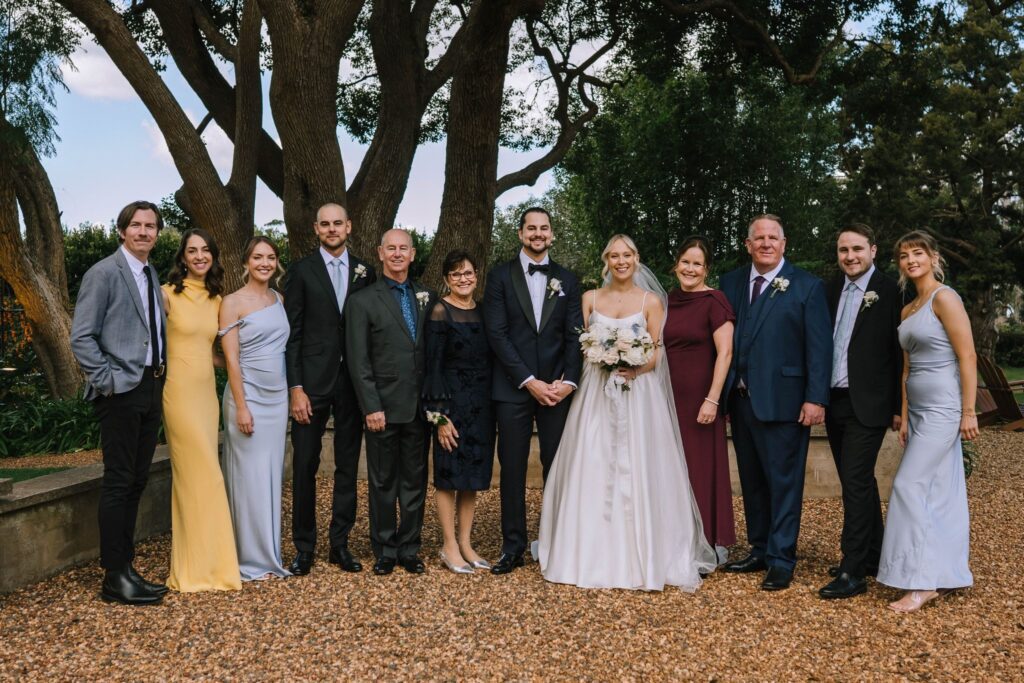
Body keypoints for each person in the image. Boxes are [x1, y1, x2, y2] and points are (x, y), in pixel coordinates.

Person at [537, 235, 717, 590]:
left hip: (638, 393)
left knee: (641, 466)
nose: (621, 261)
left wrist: (635, 367)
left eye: (627, 255)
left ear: (637, 258)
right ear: (606, 260)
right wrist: (598, 360)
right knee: (591, 461)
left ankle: (646, 555)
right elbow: (579, 346)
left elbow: (657, 352)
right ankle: (585, 553)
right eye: (614, 255)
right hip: (595, 394)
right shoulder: (589, 299)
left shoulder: (651, 301)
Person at [719, 214, 832, 591]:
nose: (766, 243)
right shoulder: (731, 282)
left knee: (783, 482)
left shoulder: (807, 286)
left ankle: (782, 559)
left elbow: (819, 347)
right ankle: (760, 548)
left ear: (784, 244)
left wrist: (816, 398)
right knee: (751, 480)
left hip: (785, 401)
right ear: (748, 244)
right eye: (759, 238)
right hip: (741, 399)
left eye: (773, 238)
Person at [70, 200, 170, 605]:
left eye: (150, 226)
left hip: (151, 386)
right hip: (121, 390)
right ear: (122, 231)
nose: (144, 232)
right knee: (118, 480)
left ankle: (125, 567)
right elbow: (81, 337)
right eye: (136, 225)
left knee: (137, 479)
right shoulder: (104, 273)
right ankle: (114, 575)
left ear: (157, 233)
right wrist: (109, 382)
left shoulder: (149, 273)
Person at [878, 230, 977, 613]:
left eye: (917, 253)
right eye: (903, 255)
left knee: (908, 483)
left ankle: (921, 583)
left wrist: (968, 411)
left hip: (944, 407)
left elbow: (967, 357)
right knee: (938, 491)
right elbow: (906, 368)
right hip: (918, 411)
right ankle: (946, 573)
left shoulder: (945, 298)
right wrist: (903, 414)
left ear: (933, 257)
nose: (910, 260)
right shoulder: (909, 308)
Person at [483, 207, 583, 575]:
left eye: (544, 228)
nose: (538, 234)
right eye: (531, 228)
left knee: (557, 466)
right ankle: (513, 546)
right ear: (521, 233)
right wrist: (528, 380)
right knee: (511, 468)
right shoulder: (499, 277)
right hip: (513, 389)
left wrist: (568, 381)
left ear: (552, 235)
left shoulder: (568, 280)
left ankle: (557, 542)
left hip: (557, 390)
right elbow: (497, 334)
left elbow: (576, 335)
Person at [284, 203, 377, 576]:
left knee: (347, 465)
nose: (332, 228)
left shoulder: (366, 272)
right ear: (316, 229)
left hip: (352, 384)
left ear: (349, 226)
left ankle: (340, 544)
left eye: (338, 222)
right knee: (304, 464)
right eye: (325, 224)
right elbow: (292, 335)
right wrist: (296, 387)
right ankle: (304, 547)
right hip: (312, 382)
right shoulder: (301, 271)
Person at [819, 224, 903, 600]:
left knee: (854, 483)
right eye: (843, 250)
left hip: (869, 404)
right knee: (860, 481)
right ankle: (873, 555)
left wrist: (900, 408)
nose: (849, 256)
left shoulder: (892, 291)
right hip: (834, 398)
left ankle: (852, 571)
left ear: (873, 249)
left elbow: (902, 354)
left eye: (856, 249)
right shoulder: (830, 288)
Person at [346, 229, 437, 576]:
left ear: (413, 254)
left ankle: (409, 548)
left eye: (404, 248)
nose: (398, 254)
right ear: (380, 253)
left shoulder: (426, 296)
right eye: (391, 248)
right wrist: (371, 406)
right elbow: (359, 359)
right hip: (382, 406)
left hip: (418, 407)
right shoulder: (363, 301)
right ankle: (385, 548)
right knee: (383, 481)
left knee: (414, 480)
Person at [160, 229, 241, 592]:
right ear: (182, 257)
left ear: (213, 256)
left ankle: (214, 563)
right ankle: (198, 568)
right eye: (192, 251)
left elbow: (209, 351)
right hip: (176, 392)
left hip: (206, 393)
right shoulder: (165, 295)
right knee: (203, 473)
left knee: (206, 468)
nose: (199, 256)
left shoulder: (216, 299)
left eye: (205, 250)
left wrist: (247, 365)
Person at [218, 236, 291, 581]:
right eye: (258, 257)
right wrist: (242, 407)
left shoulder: (280, 299)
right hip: (247, 398)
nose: (265, 263)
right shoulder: (232, 303)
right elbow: (230, 359)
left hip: (277, 401)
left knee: (270, 475)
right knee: (248, 478)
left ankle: (269, 553)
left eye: (271, 257)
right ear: (245, 262)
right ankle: (249, 559)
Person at [663, 235, 736, 564]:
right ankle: (671, 538)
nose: (690, 269)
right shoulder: (665, 301)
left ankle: (704, 541)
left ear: (706, 269)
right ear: (676, 264)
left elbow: (726, 353)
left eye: (697, 264)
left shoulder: (715, 301)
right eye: (685, 262)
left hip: (700, 401)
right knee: (669, 469)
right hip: (664, 398)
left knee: (699, 469)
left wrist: (712, 399)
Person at [423, 250, 494, 574]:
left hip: (481, 405)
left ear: (476, 275)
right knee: (448, 477)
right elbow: (432, 365)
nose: (463, 279)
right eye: (456, 275)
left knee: (471, 479)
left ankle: (466, 542)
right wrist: (438, 417)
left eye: (468, 273)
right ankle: (448, 545)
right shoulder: (440, 311)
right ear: (446, 279)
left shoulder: (484, 312)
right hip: (450, 406)